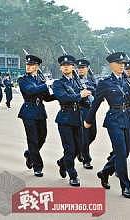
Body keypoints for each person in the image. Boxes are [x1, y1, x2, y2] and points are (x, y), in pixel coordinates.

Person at [85, 51, 130, 198]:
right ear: (111, 65)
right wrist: (88, 120)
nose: (122, 66)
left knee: (125, 152)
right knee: (121, 153)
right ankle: (125, 186)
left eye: (123, 64)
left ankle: (104, 172)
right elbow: (95, 104)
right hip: (114, 120)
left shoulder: (128, 81)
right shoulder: (105, 83)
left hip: (127, 119)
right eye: (119, 64)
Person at [53, 54, 92, 187]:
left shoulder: (77, 82)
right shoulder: (58, 83)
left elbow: (85, 99)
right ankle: (73, 175)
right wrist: (79, 95)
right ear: (60, 68)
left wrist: (88, 98)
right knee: (69, 148)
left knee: (79, 147)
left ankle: (63, 162)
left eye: (68, 65)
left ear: (72, 67)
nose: (66, 67)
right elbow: (63, 97)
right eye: (63, 66)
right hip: (65, 118)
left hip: (78, 117)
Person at [18, 54, 55, 177]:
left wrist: (58, 93)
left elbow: (47, 98)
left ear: (37, 67)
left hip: (40, 112)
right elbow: (30, 90)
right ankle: (37, 166)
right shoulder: (23, 79)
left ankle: (30, 154)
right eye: (27, 65)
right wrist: (46, 84)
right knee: (33, 139)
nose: (28, 67)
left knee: (42, 137)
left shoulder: (40, 80)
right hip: (28, 111)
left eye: (31, 65)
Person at [76, 58, 97, 169]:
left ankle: (80, 150)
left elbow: (96, 91)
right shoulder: (75, 80)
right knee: (85, 135)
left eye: (83, 68)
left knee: (93, 134)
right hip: (82, 110)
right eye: (79, 68)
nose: (81, 70)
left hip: (91, 110)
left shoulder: (91, 81)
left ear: (88, 69)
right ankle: (86, 159)